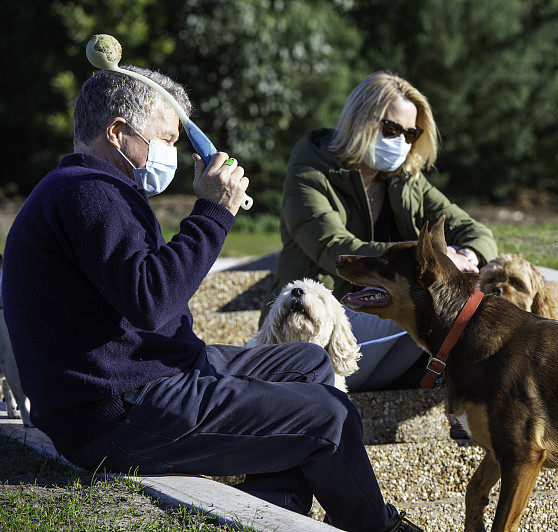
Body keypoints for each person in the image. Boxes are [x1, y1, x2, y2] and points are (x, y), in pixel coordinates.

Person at [2, 67, 421, 532]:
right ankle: (379, 528)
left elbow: (143, 299)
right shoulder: (90, 194)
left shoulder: (88, 188)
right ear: (118, 133)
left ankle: (275, 507)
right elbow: (153, 300)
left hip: (148, 378)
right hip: (116, 413)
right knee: (330, 415)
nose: (174, 155)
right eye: (165, 139)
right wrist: (213, 212)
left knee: (304, 361)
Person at [261, 71, 498, 391]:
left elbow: (473, 230)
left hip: (380, 333)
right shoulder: (310, 172)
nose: (401, 142)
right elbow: (335, 247)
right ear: (359, 121)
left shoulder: (405, 180)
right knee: (422, 299)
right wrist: (436, 259)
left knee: (495, 287)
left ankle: (481, 399)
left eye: (411, 134)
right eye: (390, 129)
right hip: (320, 335)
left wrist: (467, 254)